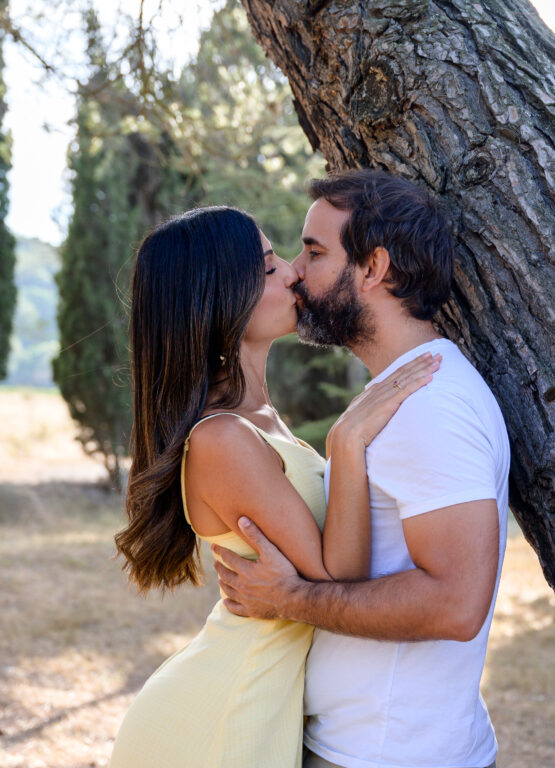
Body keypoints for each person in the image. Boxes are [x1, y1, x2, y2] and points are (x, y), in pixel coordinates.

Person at [107, 205, 441, 768]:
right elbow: (341, 580)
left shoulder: (256, 418)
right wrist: (347, 441)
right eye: (267, 268)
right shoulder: (223, 439)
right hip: (227, 711)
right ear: (217, 301)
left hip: (267, 700)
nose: (292, 272)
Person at [213, 170, 511, 768]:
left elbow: (456, 602)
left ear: (373, 269)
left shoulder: (432, 406)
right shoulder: (400, 397)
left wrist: (292, 599)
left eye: (315, 251)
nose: (295, 271)